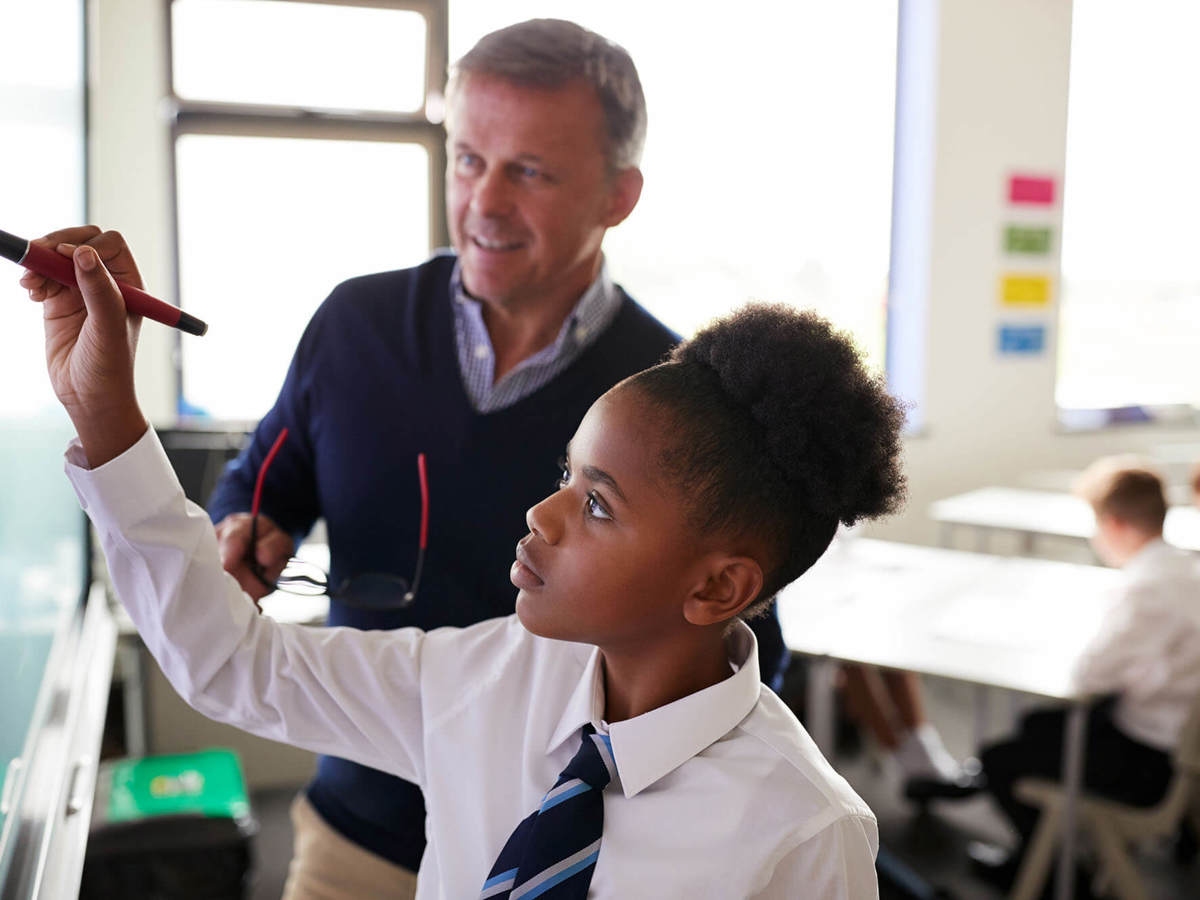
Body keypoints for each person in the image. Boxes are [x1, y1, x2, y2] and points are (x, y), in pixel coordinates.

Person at [29, 238, 907, 896]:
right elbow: (236, 665)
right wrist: (107, 417)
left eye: (598, 504)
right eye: (567, 475)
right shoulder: (487, 678)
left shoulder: (803, 832)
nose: (542, 513)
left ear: (719, 587)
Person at [196, 18, 790, 895]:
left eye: (531, 172)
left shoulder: (678, 397)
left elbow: (744, 651)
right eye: (469, 159)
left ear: (619, 196)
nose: (485, 201)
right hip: (357, 830)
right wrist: (243, 527)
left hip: (567, 858)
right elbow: (262, 483)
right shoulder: (355, 327)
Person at [966, 456, 1200, 890]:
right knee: (1035, 726)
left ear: (1113, 524)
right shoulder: (1179, 566)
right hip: (1167, 738)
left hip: (1151, 762)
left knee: (1000, 759)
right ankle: (1043, 854)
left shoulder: (1148, 588)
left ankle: (1052, 874)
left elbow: (1088, 678)